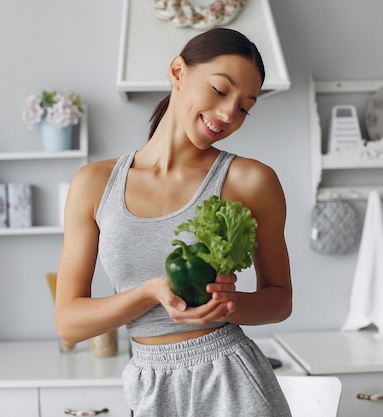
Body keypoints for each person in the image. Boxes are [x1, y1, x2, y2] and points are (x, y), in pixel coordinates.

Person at [55, 27, 292, 416]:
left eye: (246, 106)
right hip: (149, 383)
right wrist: (150, 292)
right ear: (178, 73)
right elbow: (68, 323)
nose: (230, 113)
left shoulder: (251, 181)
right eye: (220, 90)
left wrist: (229, 304)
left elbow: (279, 299)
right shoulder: (94, 184)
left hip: (231, 378)